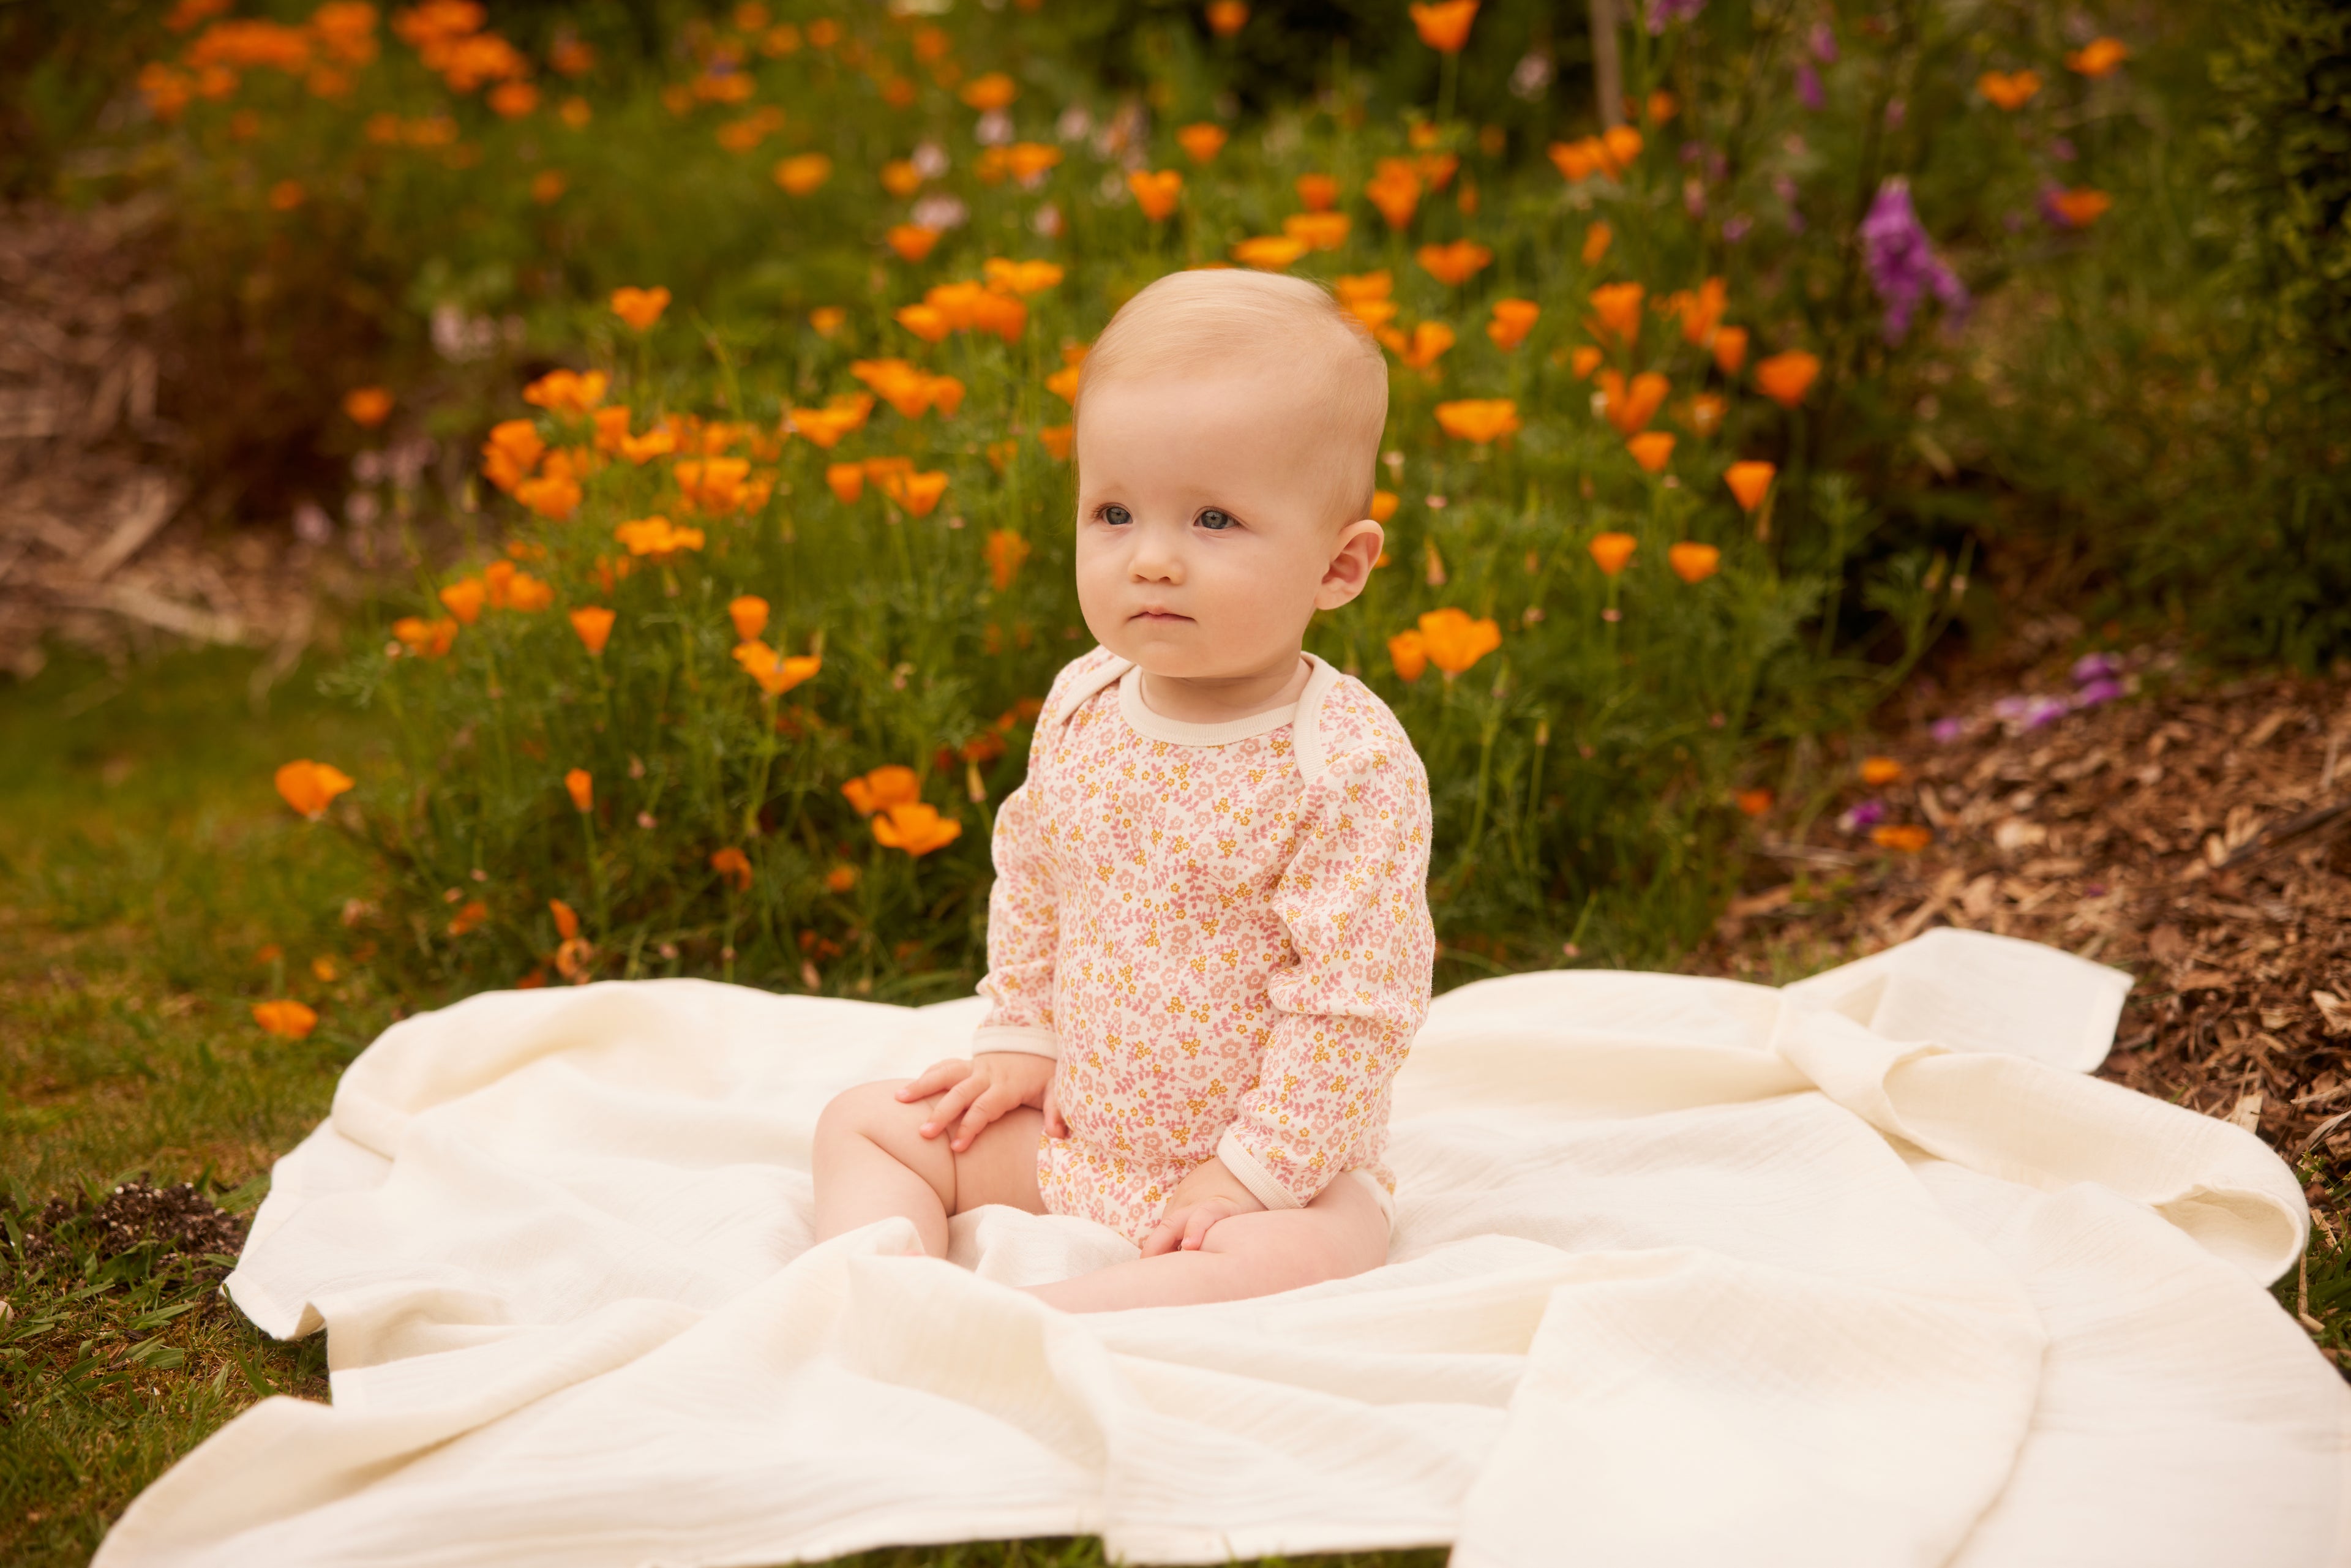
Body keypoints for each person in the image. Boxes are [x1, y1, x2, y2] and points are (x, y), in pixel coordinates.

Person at [811, 268, 1436, 1312]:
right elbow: (1037, 868)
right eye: (1114, 511)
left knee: (1319, 1248)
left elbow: (1357, 1006)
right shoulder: (1088, 699)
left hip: (1263, 1176)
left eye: (1215, 521)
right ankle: (880, 1285)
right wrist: (1021, 1039)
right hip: (1079, 1128)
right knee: (868, 1120)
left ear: (1340, 567)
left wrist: (1250, 1172)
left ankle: (1032, 1323)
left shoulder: (1347, 765)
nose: (1151, 560)